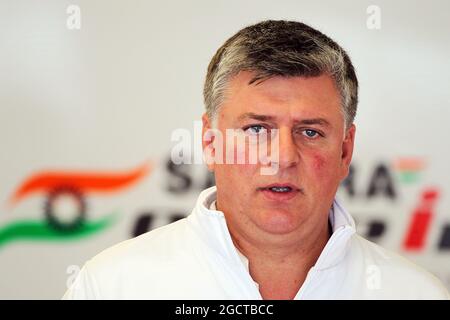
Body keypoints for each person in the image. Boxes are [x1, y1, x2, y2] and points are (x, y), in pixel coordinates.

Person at [63, 20, 449, 299]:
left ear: (345, 150)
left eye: (310, 132)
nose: (282, 157)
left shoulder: (416, 294)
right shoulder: (113, 286)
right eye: (256, 130)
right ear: (210, 143)